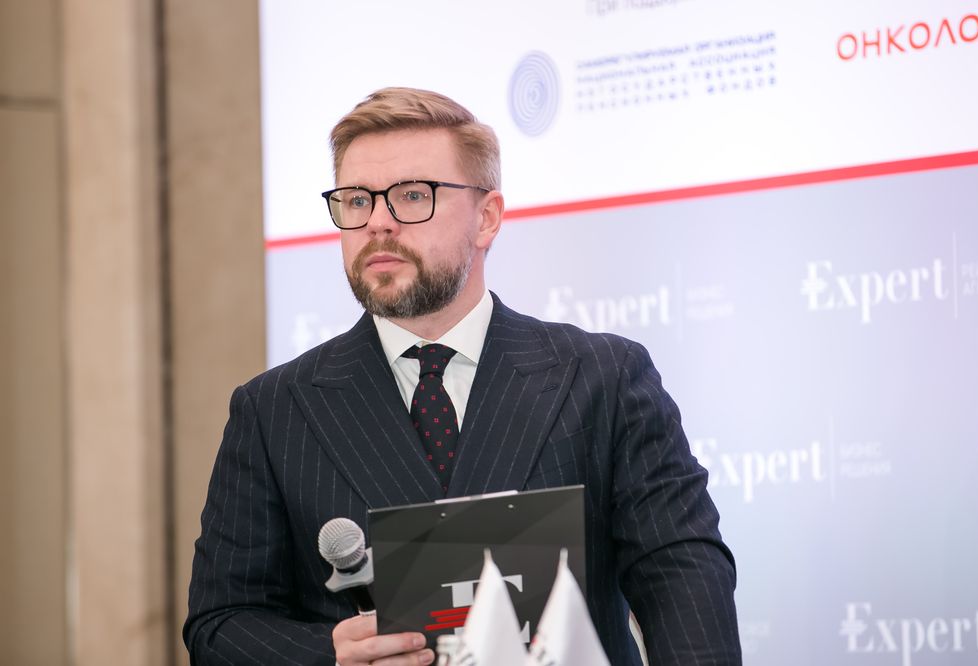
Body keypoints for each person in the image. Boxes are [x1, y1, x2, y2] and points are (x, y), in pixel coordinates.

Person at [184, 87, 741, 665]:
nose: (378, 222)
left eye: (412, 195)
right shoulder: (274, 411)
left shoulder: (605, 379)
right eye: (356, 200)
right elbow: (219, 625)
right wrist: (328, 655)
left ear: (487, 218)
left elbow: (684, 580)